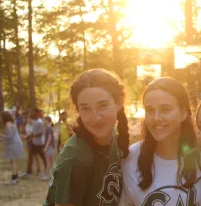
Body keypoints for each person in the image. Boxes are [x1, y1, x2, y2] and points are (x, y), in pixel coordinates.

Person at [43, 69, 129, 206]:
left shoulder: (114, 137)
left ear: (118, 103)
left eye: (103, 105)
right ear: (78, 110)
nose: (95, 117)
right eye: (86, 108)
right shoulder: (75, 160)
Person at [121, 77, 201, 205]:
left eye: (165, 109)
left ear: (183, 113)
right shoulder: (130, 158)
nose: (156, 118)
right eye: (150, 110)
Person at [0, 111, 24, 184]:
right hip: (14, 144)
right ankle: (16, 177)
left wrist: (1, 136)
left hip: (14, 144)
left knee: (13, 161)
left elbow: (9, 136)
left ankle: (13, 178)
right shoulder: (10, 124)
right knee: (13, 161)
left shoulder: (8, 124)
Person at [22, 108, 47, 178]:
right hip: (34, 143)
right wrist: (29, 136)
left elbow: (40, 133)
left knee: (43, 158)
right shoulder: (34, 122)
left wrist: (31, 136)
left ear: (36, 114)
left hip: (40, 143)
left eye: (33, 113)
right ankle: (28, 171)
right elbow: (34, 132)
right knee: (30, 156)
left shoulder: (40, 122)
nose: (31, 114)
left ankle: (48, 171)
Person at [42, 116, 55, 181]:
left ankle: (47, 175)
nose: (42, 122)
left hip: (49, 146)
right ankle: (53, 174)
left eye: (43, 120)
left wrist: (46, 147)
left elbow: (49, 138)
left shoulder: (49, 128)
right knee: (51, 161)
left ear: (47, 120)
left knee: (48, 161)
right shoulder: (48, 128)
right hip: (50, 146)